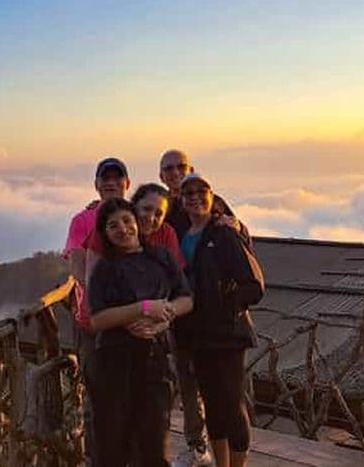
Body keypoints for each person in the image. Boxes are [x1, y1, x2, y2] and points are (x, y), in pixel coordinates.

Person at [159, 150, 249, 466]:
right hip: (187, 322)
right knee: (195, 388)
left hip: (222, 328)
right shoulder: (165, 209)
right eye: (168, 168)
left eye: (180, 167)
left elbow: (245, 256)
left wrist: (225, 308)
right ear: (161, 176)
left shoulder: (216, 210)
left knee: (229, 401)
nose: (174, 173)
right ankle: (198, 447)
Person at [88, 198, 194, 466]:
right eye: (113, 226)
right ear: (105, 234)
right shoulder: (104, 268)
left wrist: (164, 317)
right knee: (112, 446)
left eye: (126, 220)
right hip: (113, 363)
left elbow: (186, 299)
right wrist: (143, 308)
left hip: (154, 360)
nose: (122, 229)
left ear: (136, 221)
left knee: (154, 443)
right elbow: (97, 319)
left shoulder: (161, 258)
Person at [174, 173, 264, 467]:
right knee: (212, 404)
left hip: (227, 335)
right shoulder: (182, 234)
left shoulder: (224, 234)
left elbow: (254, 286)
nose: (195, 197)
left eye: (201, 191)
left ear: (213, 196)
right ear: (180, 200)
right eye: (188, 193)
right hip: (196, 334)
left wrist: (224, 307)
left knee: (232, 405)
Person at [62, 157, 131, 464]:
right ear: (96, 184)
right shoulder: (83, 220)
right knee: (97, 398)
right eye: (105, 179)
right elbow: (77, 263)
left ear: (127, 184)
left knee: (131, 394)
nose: (111, 183)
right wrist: (101, 294)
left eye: (117, 178)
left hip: (131, 323)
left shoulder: (135, 217)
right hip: (93, 322)